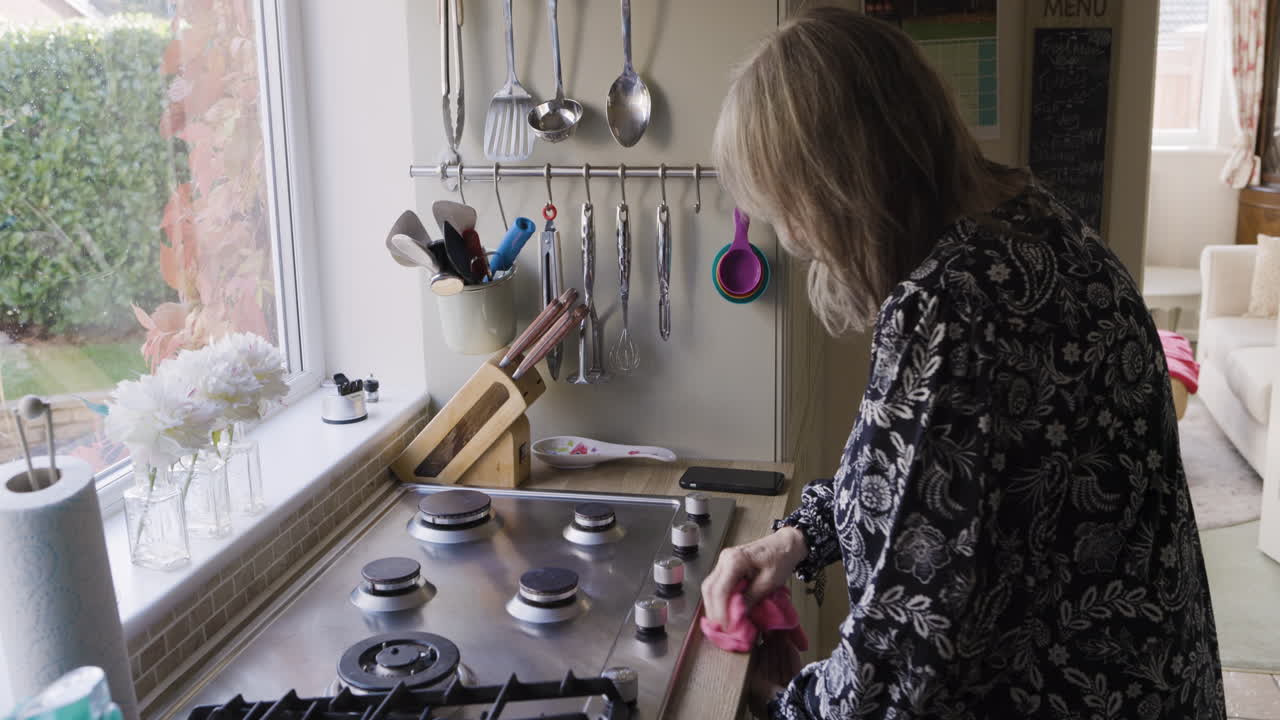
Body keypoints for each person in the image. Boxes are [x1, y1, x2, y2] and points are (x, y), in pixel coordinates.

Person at [702, 8, 1226, 719]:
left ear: (840, 186)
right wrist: (798, 539)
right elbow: (922, 486)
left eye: (788, 205)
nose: (791, 238)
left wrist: (766, 702)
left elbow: (901, 662)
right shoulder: (1030, 220)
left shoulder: (952, 307)